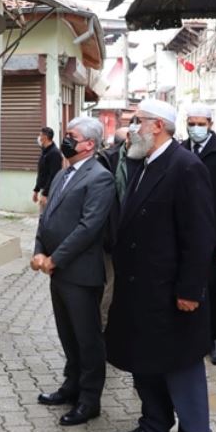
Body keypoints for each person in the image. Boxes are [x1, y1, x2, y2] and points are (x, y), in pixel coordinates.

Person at [105, 99, 216, 432]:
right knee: (144, 359)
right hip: (139, 288)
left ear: (157, 126)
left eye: (137, 121)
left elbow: (199, 237)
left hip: (171, 291)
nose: (131, 128)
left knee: (181, 363)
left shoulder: (186, 167)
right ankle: (154, 425)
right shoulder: (142, 162)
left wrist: (190, 290)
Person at [32, 117, 115, 426]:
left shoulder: (100, 178)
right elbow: (47, 216)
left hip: (80, 273)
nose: (65, 140)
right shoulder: (63, 173)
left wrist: (55, 259)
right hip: (58, 271)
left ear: (89, 144)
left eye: (71, 136)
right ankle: (71, 386)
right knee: (67, 334)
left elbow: (88, 228)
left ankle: (89, 399)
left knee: (87, 338)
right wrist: (39, 250)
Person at [180, 103, 216, 365]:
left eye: (200, 123)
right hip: (183, 234)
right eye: (191, 123)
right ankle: (192, 337)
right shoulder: (180, 150)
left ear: (210, 124)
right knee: (185, 285)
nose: (196, 128)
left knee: (213, 287)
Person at [97, 126, 139, 328]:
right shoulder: (107, 160)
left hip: (140, 240)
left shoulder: (150, 161)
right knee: (110, 288)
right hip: (112, 238)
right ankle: (104, 335)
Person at [33, 126, 63, 210]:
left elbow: (54, 175)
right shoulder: (44, 151)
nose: (39, 138)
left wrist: (45, 194)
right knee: (42, 218)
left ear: (45, 137)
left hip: (50, 192)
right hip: (44, 190)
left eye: (40, 135)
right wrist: (36, 190)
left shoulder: (54, 153)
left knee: (46, 218)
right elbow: (41, 173)